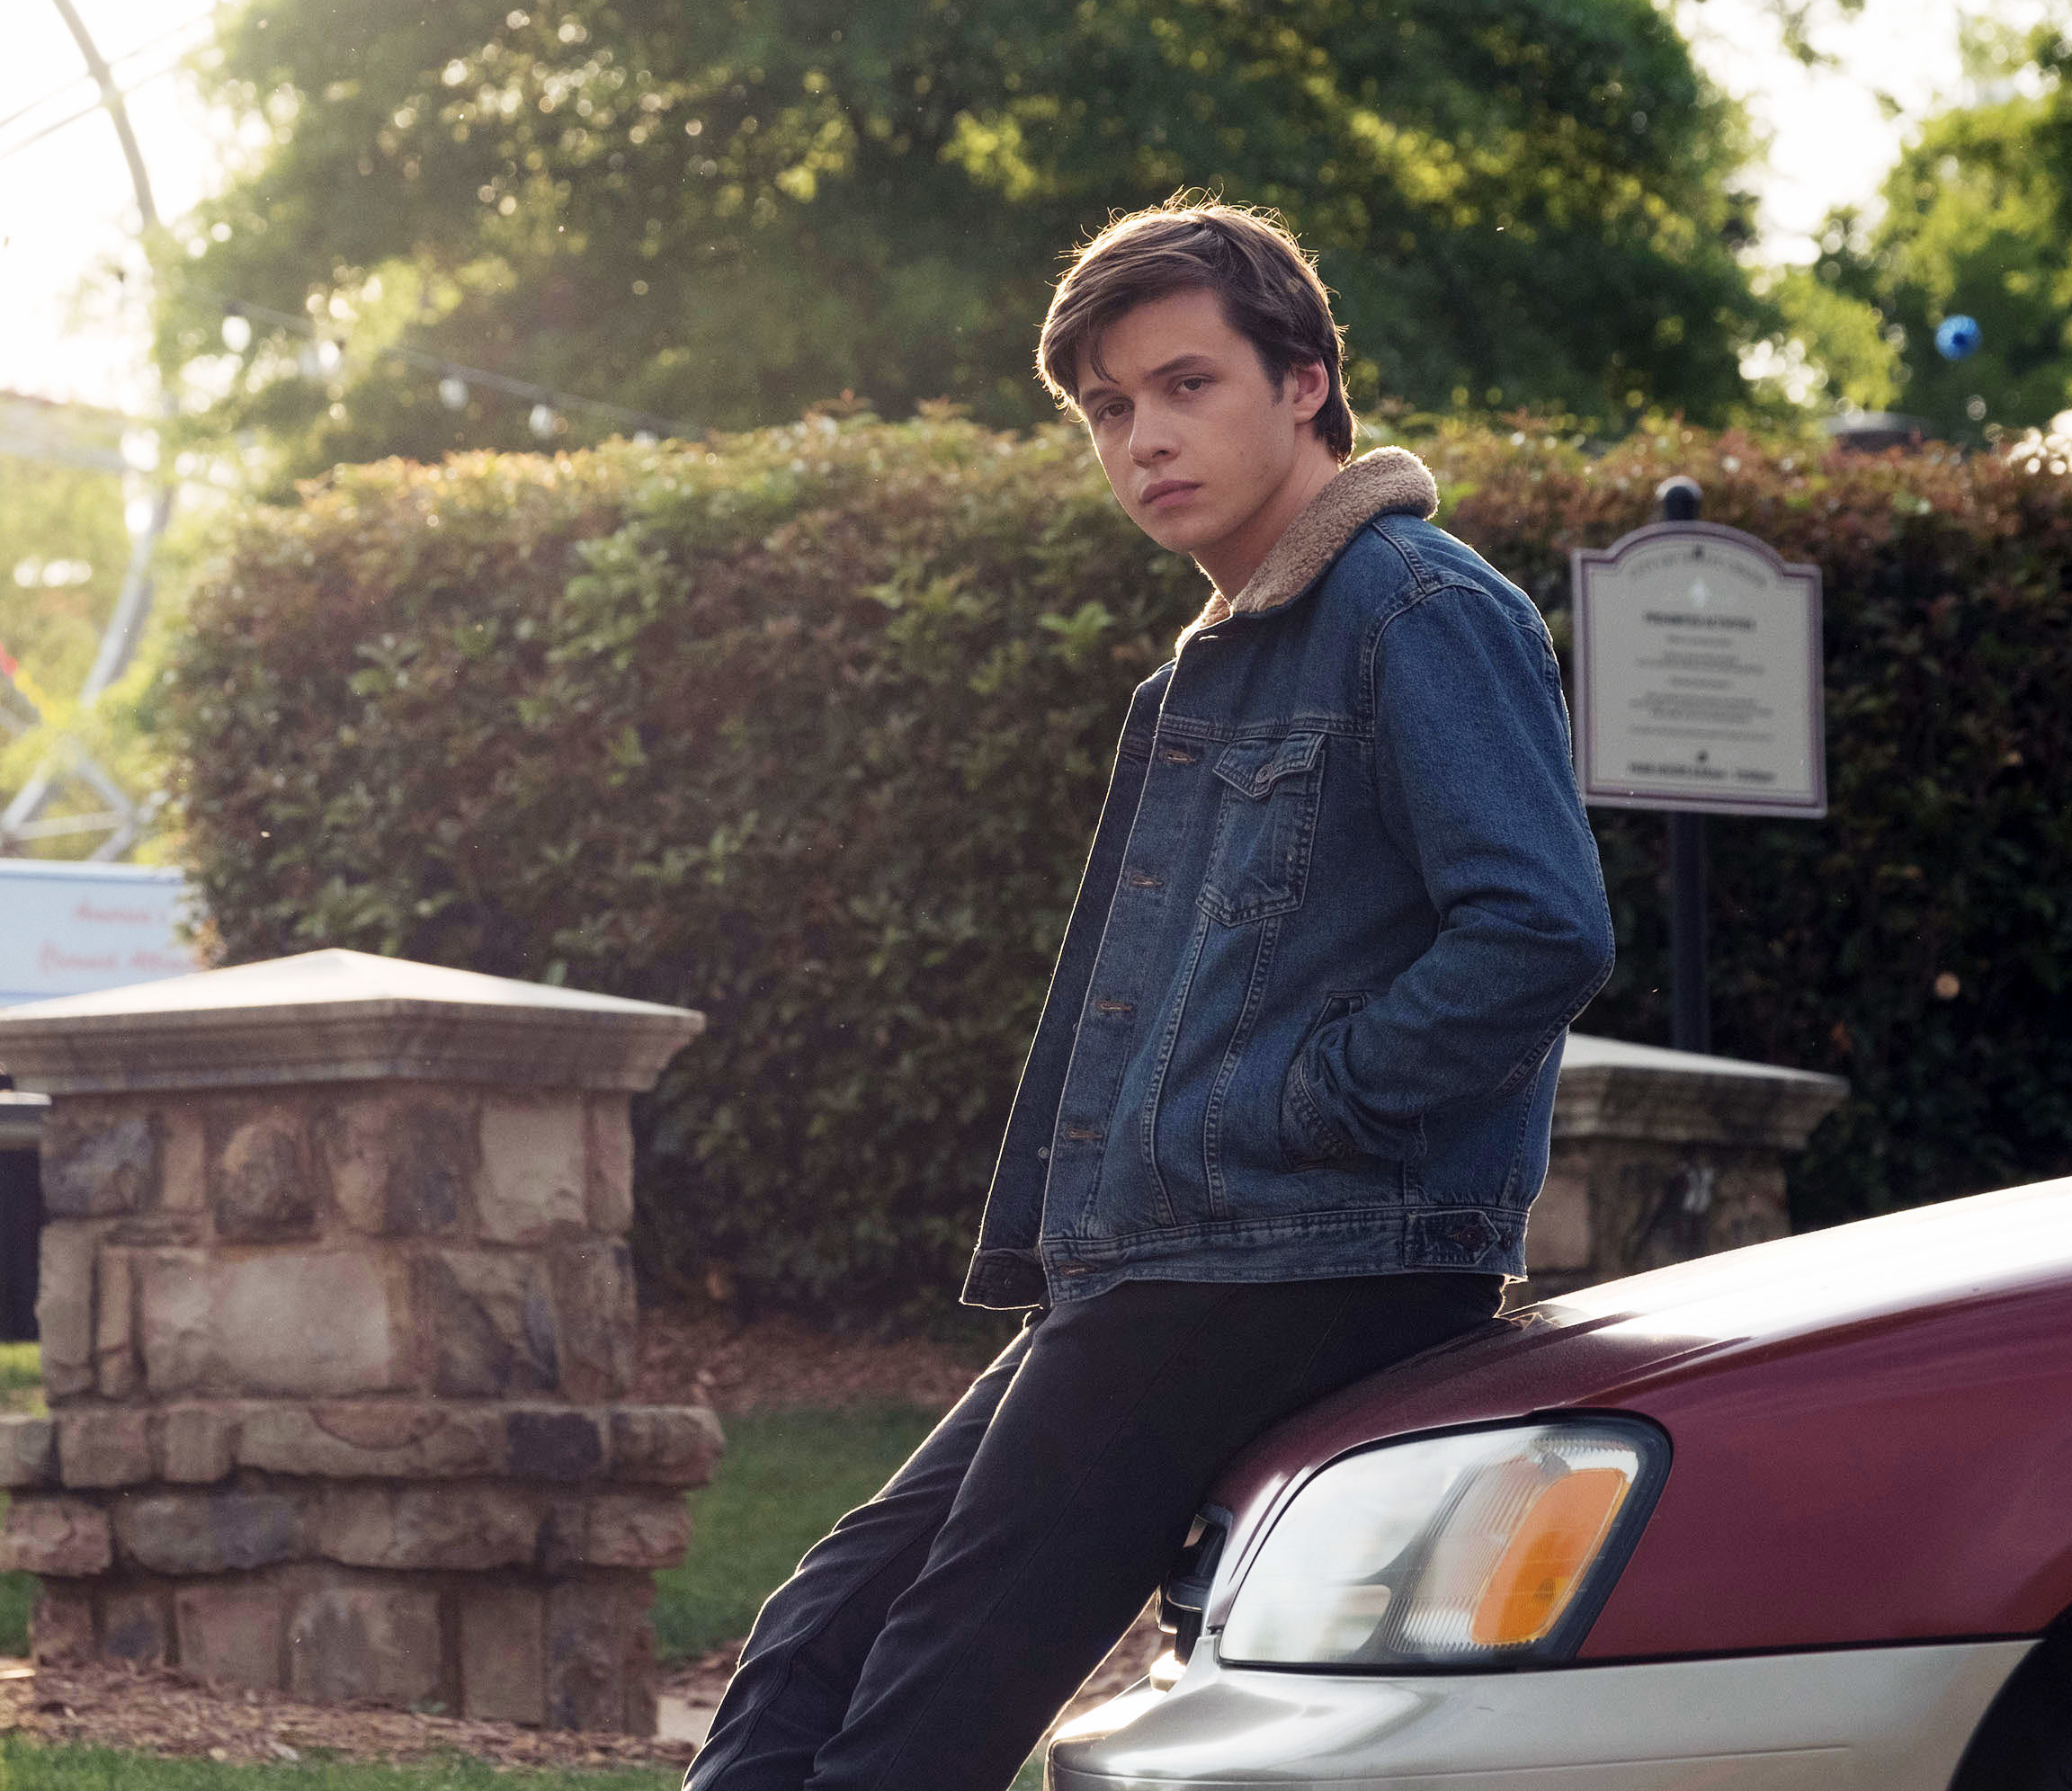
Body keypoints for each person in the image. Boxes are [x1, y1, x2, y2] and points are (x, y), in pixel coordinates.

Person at [682, 197, 1616, 1791]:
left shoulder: (1418, 608)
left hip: (1305, 1248)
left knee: (936, 1672)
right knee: (825, 1621)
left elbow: (1539, 930)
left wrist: (1298, 1103)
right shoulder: (1202, 674)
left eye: (1188, 385)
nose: (1144, 440)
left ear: (1304, 383)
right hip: (1167, 1252)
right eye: (1110, 409)